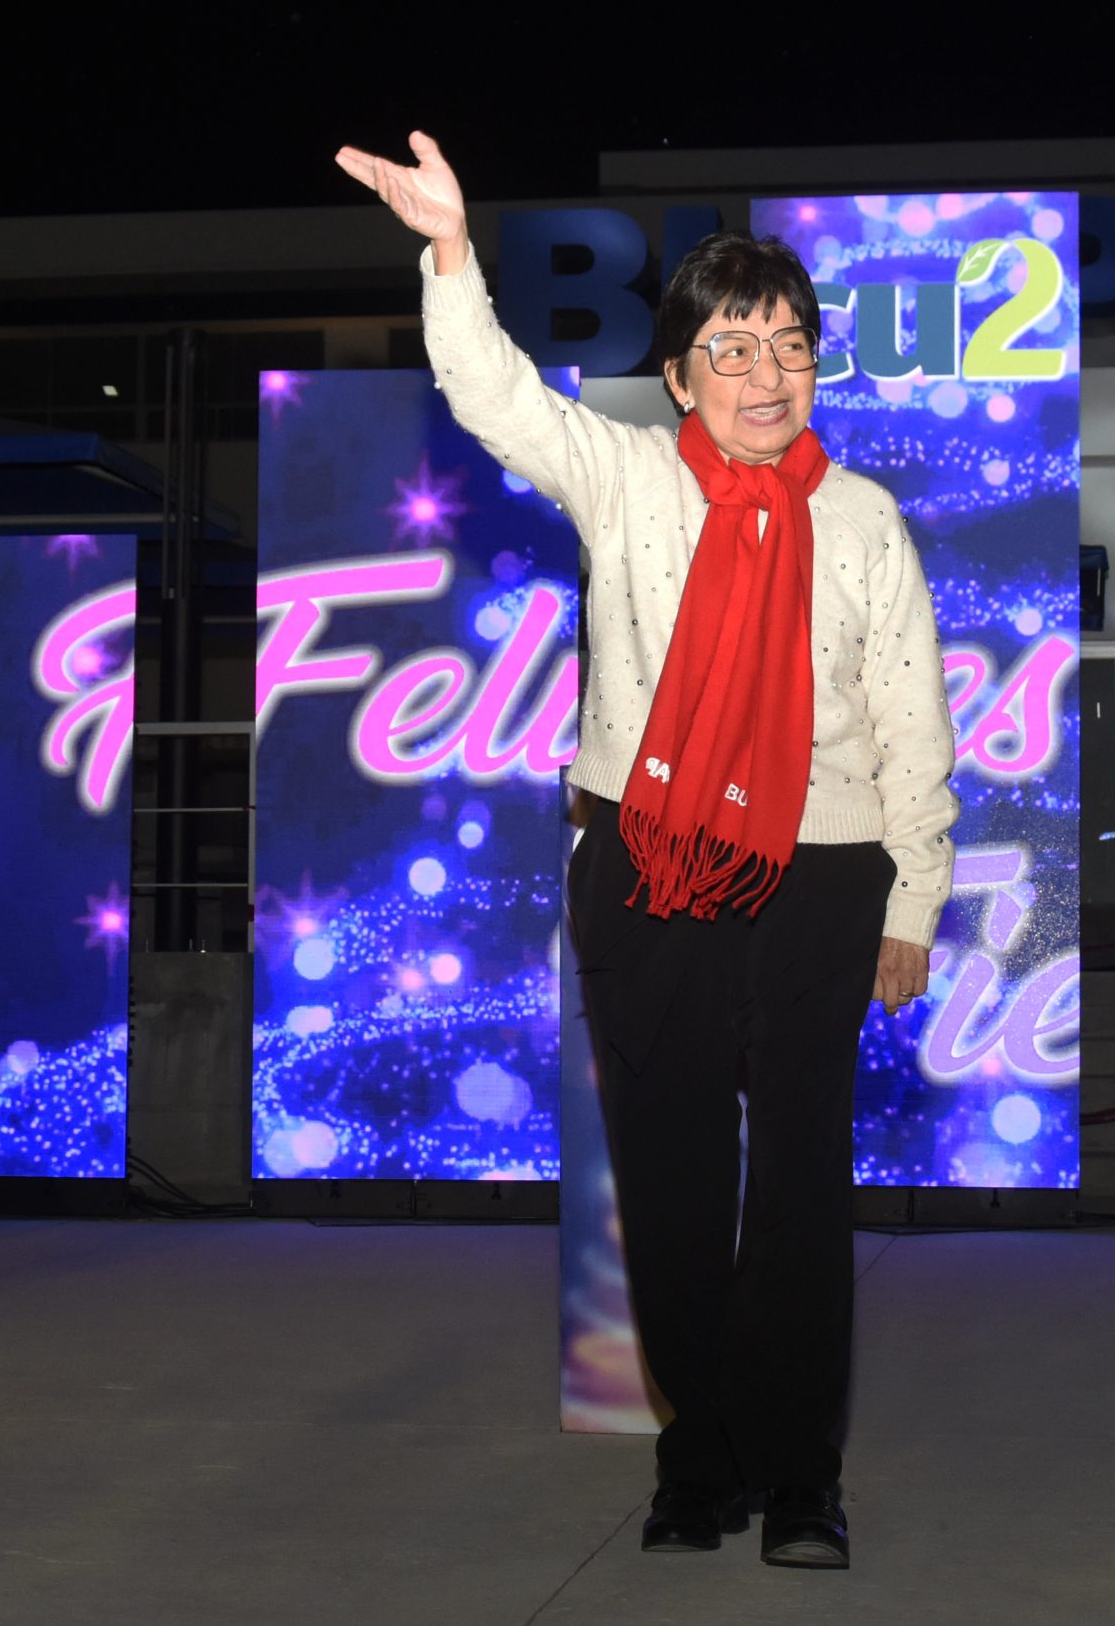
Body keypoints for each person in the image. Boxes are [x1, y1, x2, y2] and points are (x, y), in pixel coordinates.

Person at [338, 132, 957, 1570]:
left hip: (822, 873)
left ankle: (802, 1477)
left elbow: (914, 723)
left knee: (800, 1186)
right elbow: (490, 394)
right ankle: (702, 1454)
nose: (764, 375)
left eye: (789, 347)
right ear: (678, 376)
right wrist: (448, 251)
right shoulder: (622, 482)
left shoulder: (862, 523)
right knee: (669, 1183)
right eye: (731, 350)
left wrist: (914, 901)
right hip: (648, 867)